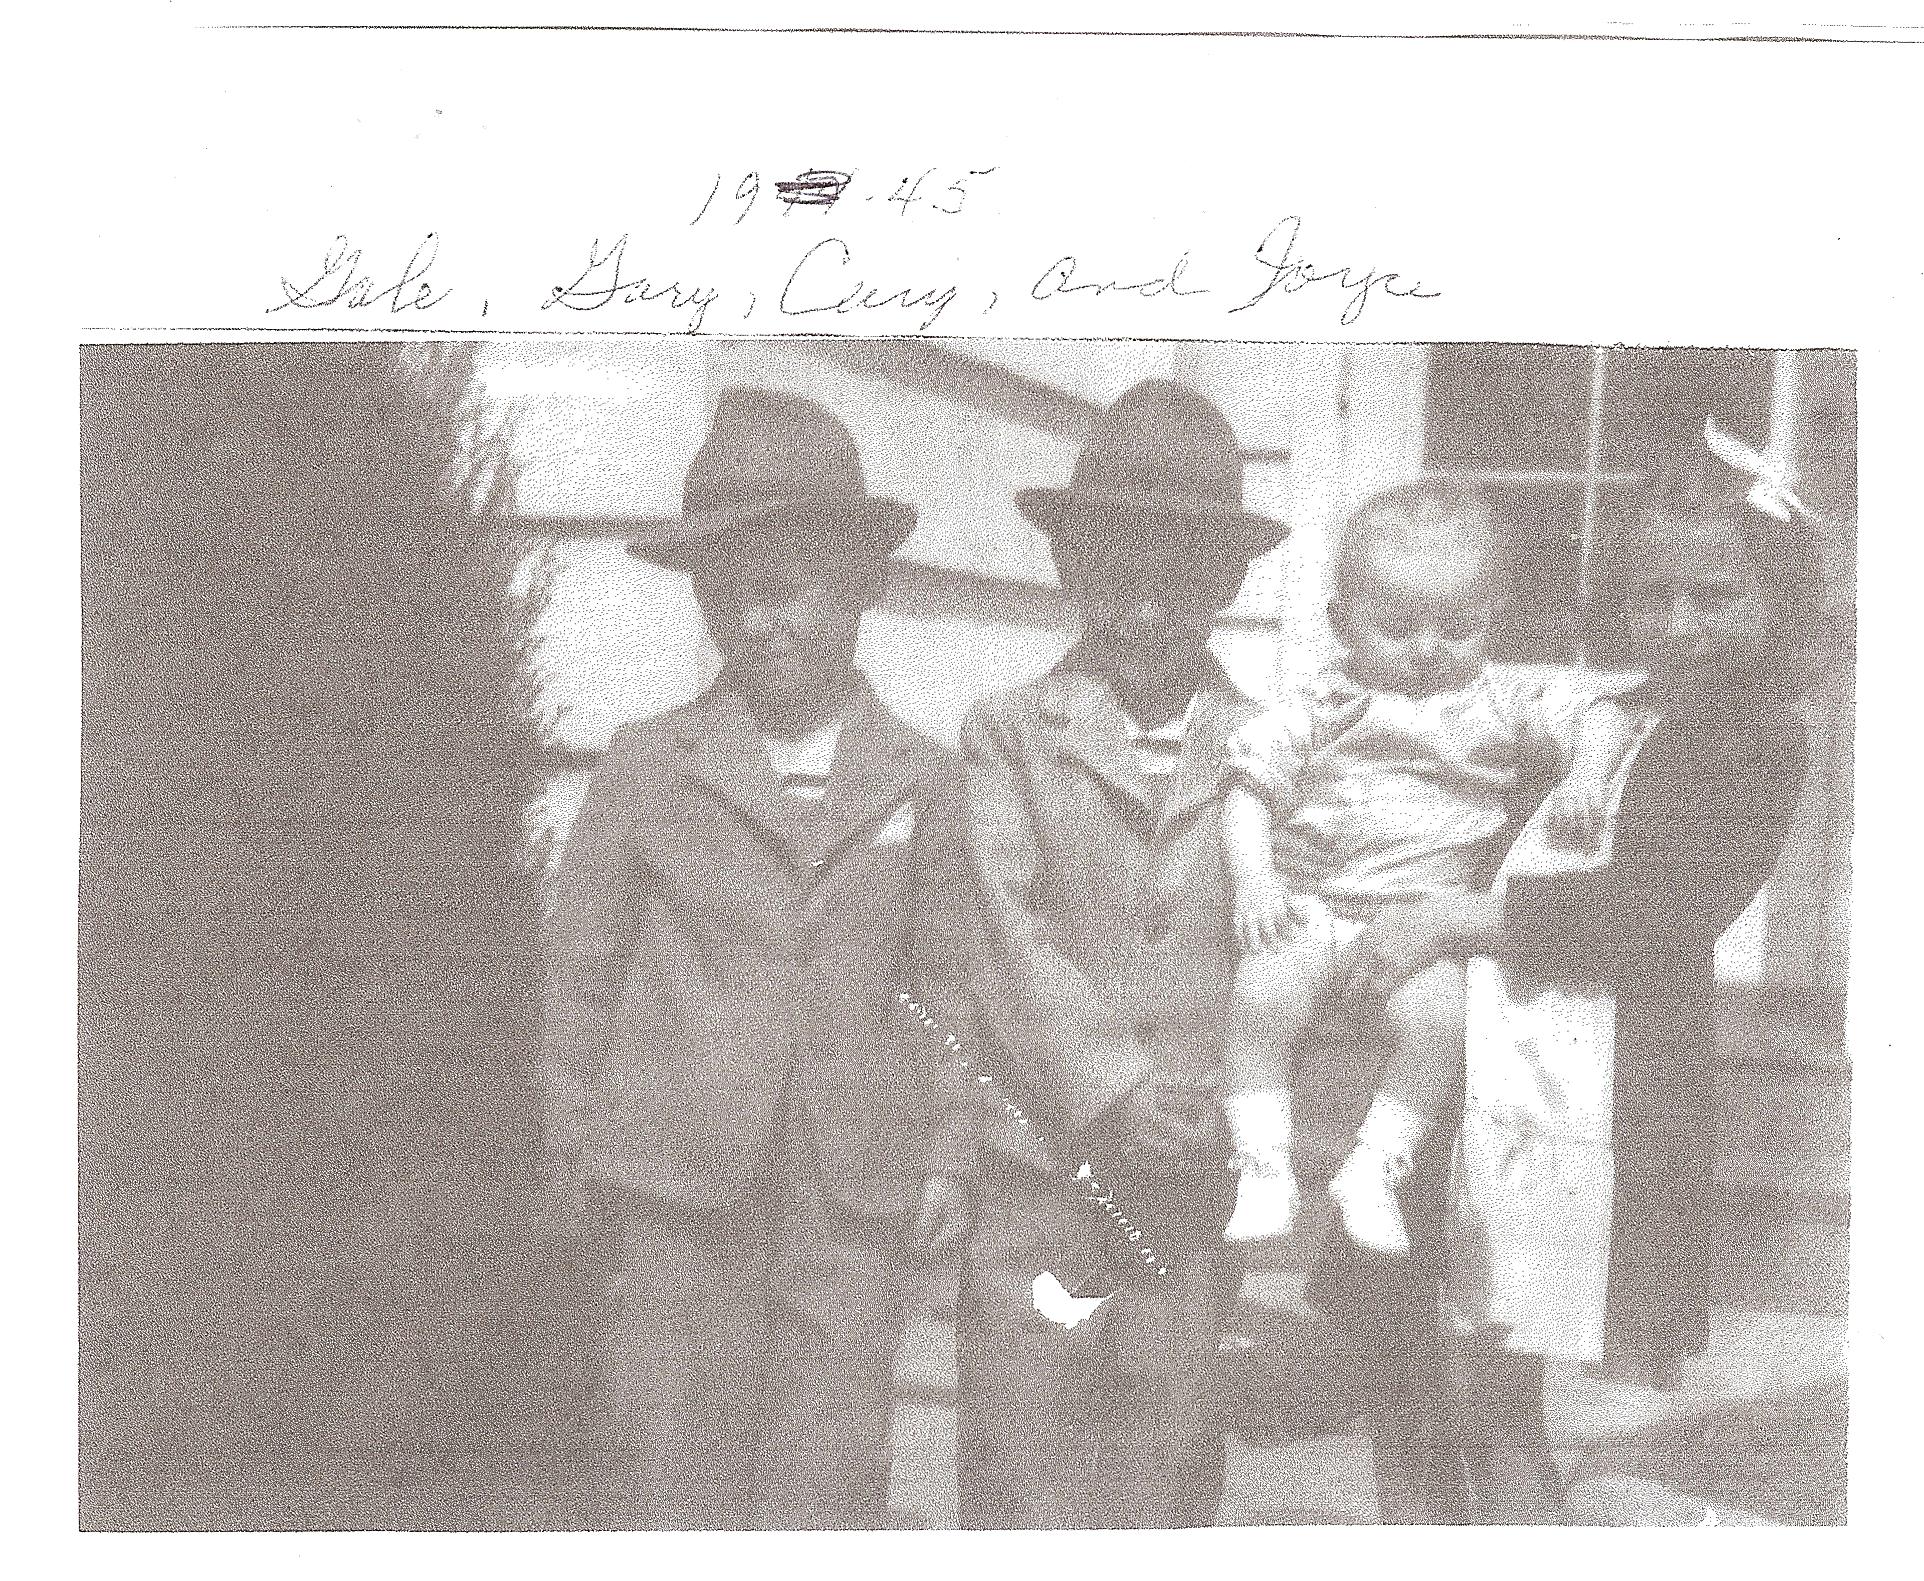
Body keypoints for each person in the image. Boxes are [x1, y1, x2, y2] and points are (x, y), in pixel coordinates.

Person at [1331, 437, 1820, 1519]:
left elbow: (1659, 910)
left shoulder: (1757, 740)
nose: (1678, 624)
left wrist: (1455, 917)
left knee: (1502, 1365)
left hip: (1593, 1085)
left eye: (1714, 596)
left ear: (1778, 603)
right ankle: (1413, 1523)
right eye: (1652, 595)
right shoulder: (1604, 713)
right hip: (1480, 1052)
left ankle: (1519, 1527)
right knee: (1406, 1343)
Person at [539, 387, 977, 1530]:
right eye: (726, 596)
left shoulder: (921, 778)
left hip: (849, 1190)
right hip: (675, 1180)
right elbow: (578, 972)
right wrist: (571, 1146)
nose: (756, 622)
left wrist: (949, 1152)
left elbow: (949, 984)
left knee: (827, 1469)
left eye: (785, 589)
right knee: (669, 1460)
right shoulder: (651, 764)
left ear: (862, 585)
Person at [954, 379, 1288, 1528]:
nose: (1143, 612)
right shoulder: (1009, 731)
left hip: (1191, 1158)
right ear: (1066, 568)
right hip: (1041, 1152)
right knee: (1022, 1451)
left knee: (1165, 1451)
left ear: (1227, 583)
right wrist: (1111, 1085)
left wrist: (1234, 1092)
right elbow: (1005, 930)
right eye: (1113, 578)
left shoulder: (1271, 748)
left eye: (1179, 584)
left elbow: (1289, 937)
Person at [1217, 481, 1635, 1251]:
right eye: (1398, 627)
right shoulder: (1322, 701)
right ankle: (1263, 1163)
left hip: (1425, 923)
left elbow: (1602, 713)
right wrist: (1254, 878)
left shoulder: (1498, 703)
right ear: (1342, 623)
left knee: (1440, 1021)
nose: (1428, 648)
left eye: (1458, 628)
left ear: (1492, 622)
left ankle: (1374, 1165)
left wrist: (1585, 775)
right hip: (1314, 902)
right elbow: (1249, 784)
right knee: (1259, 996)